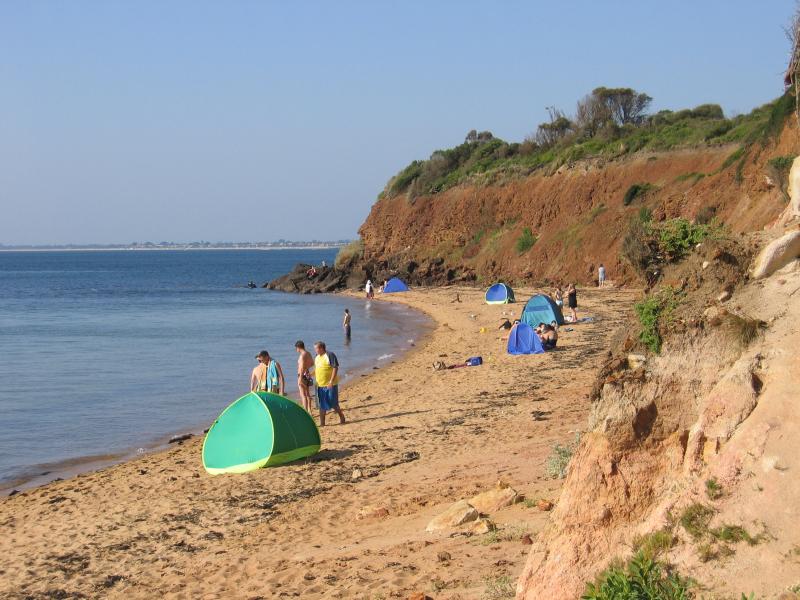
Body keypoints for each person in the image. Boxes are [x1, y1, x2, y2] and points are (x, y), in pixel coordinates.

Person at [312, 341, 346, 426]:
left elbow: (335, 367)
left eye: (316, 348)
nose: (315, 350)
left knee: (333, 403)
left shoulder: (330, 355)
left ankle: (341, 416)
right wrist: (310, 374)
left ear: (321, 348)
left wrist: (331, 381)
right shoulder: (316, 357)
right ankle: (322, 423)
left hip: (330, 385)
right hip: (319, 385)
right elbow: (317, 369)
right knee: (321, 405)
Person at [294, 340, 315, 412]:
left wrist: (300, 378)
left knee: (303, 395)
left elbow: (302, 367)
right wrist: (307, 369)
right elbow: (312, 363)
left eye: (296, 348)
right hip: (307, 374)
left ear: (298, 347)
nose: (296, 350)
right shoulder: (308, 353)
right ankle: (309, 410)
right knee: (307, 393)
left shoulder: (302, 355)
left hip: (301, 375)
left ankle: (305, 411)